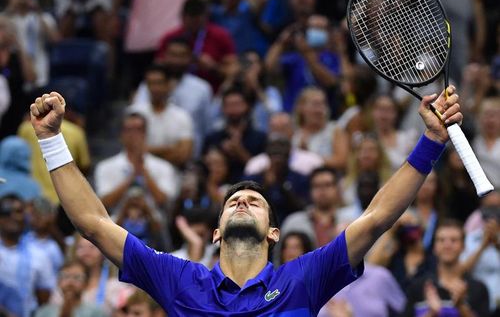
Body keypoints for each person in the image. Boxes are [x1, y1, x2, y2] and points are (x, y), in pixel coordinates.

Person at [28, 86, 463, 315]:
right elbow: (92, 222)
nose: (242, 202)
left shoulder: (304, 279)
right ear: (215, 231)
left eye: (255, 201)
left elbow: (375, 218)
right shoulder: (180, 280)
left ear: (275, 232)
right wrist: (50, 140)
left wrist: (430, 141)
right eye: (234, 200)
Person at [94, 112, 179, 216]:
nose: (134, 135)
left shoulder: (164, 167)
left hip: (155, 227)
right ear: (121, 135)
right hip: (116, 225)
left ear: (145, 133)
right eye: (129, 130)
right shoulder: (105, 167)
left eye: (138, 129)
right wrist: (132, 177)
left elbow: (163, 201)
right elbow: (104, 202)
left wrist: (143, 170)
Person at [402, 219, 490, 317]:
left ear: (463, 247)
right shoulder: (418, 286)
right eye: (441, 240)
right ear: (434, 247)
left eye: (453, 240)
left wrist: (461, 306)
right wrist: (432, 313)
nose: (447, 245)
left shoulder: (478, 288)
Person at [0, 193, 56, 317]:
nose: (12, 216)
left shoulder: (40, 254)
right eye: (5, 212)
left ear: (26, 217)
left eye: (18, 211)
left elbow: (44, 299)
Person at [35, 260, 107, 317]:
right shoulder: (44, 312)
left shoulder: (95, 312)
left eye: (77, 277)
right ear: (58, 282)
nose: (70, 282)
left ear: (86, 284)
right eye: (65, 276)